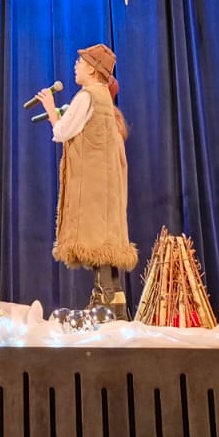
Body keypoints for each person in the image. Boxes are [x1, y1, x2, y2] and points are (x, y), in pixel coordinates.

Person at [36, 43, 138, 316]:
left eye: (80, 63)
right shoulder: (103, 97)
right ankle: (116, 306)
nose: (75, 66)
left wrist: (50, 108)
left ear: (92, 69)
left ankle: (106, 303)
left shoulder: (87, 96)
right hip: (106, 184)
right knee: (104, 244)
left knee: (96, 240)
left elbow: (62, 132)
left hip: (92, 183)